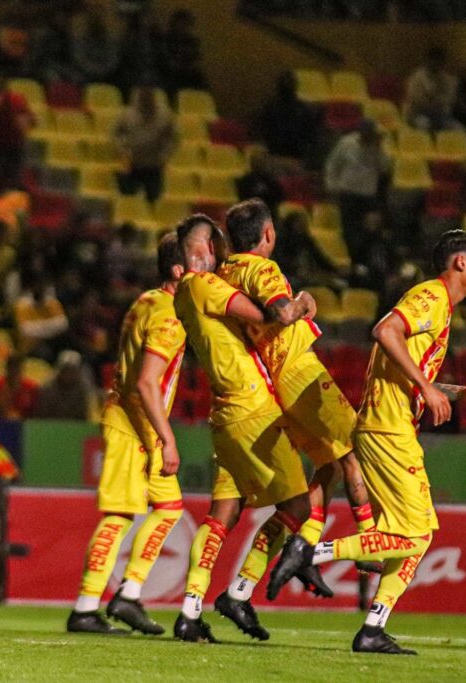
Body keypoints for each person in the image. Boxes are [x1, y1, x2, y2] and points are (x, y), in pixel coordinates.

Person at [266, 230, 466, 655]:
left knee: (419, 537)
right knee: (407, 537)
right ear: (460, 262)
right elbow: (384, 330)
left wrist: (456, 392)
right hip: (388, 429)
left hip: (394, 425)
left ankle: (373, 627)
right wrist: (427, 388)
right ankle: (308, 552)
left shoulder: (438, 307)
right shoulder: (431, 297)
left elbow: (402, 367)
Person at [210, 199, 376, 639]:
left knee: (324, 472)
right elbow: (284, 312)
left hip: (272, 384)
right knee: (357, 450)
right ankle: (371, 544)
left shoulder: (225, 274)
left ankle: (243, 587)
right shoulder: (262, 270)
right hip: (299, 373)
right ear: (267, 235)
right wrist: (304, 302)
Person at [172, 214, 311, 642]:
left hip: (226, 413)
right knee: (300, 508)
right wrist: (304, 302)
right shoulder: (205, 285)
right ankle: (239, 591)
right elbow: (274, 317)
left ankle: (190, 609)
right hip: (251, 408)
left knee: (222, 515)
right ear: (207, 249)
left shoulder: (182, 294)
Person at [67, 234, 188, 635]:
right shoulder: (169, 316)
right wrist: (167, 437)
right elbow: (147, 384)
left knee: (169, 509)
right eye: (203, 262)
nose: (211, 271)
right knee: (119, 516)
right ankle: (85, 609)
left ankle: (129, 594)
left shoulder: (147, 300)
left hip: (141, 424)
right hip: (132, 424)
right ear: (179, 270)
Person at [324, 119, 391, 268]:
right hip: (348, 194)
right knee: (350, 232)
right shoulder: (347, 144)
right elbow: (333, 164)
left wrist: (378, 150)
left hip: (368, 196)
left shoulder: (377, 149)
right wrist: (332, 186)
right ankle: (354, 262)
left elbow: (385, 168)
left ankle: (367, 263)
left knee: (369, 232)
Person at [114, 85, 177, 202]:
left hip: (155, 165)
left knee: (154, 200)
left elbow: (173, 138)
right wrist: (123, 151)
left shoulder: (165, 116)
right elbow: (117, 134)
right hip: (132, 163)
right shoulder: (127, 115)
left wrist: (165, 154)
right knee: (128, 201)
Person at [403, 47, 456, 131]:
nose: (436, 64)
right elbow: (418, 101)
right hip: (417, 114)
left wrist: (435, 100)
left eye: (439, 61)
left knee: (457, 129)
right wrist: (434, 102)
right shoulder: (416, 78)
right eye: (434, 60)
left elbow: (449, 99)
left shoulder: (447, 79)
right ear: (427, 61)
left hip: (439, 114)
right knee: (425, 125)